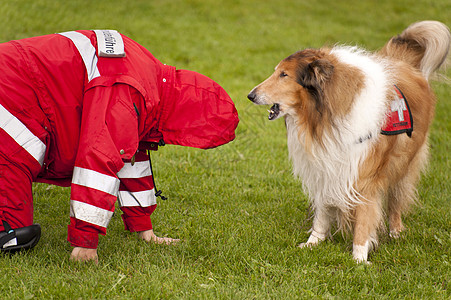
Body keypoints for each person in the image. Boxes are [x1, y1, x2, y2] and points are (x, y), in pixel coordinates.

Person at [0, 30, 239, 262]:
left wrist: (144, 228)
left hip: (21, 83)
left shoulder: (150, 83)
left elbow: (130, 154)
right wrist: (85, 243)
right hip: (10, 91)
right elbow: (97, 160)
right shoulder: (129, 93)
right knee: (14, 235)